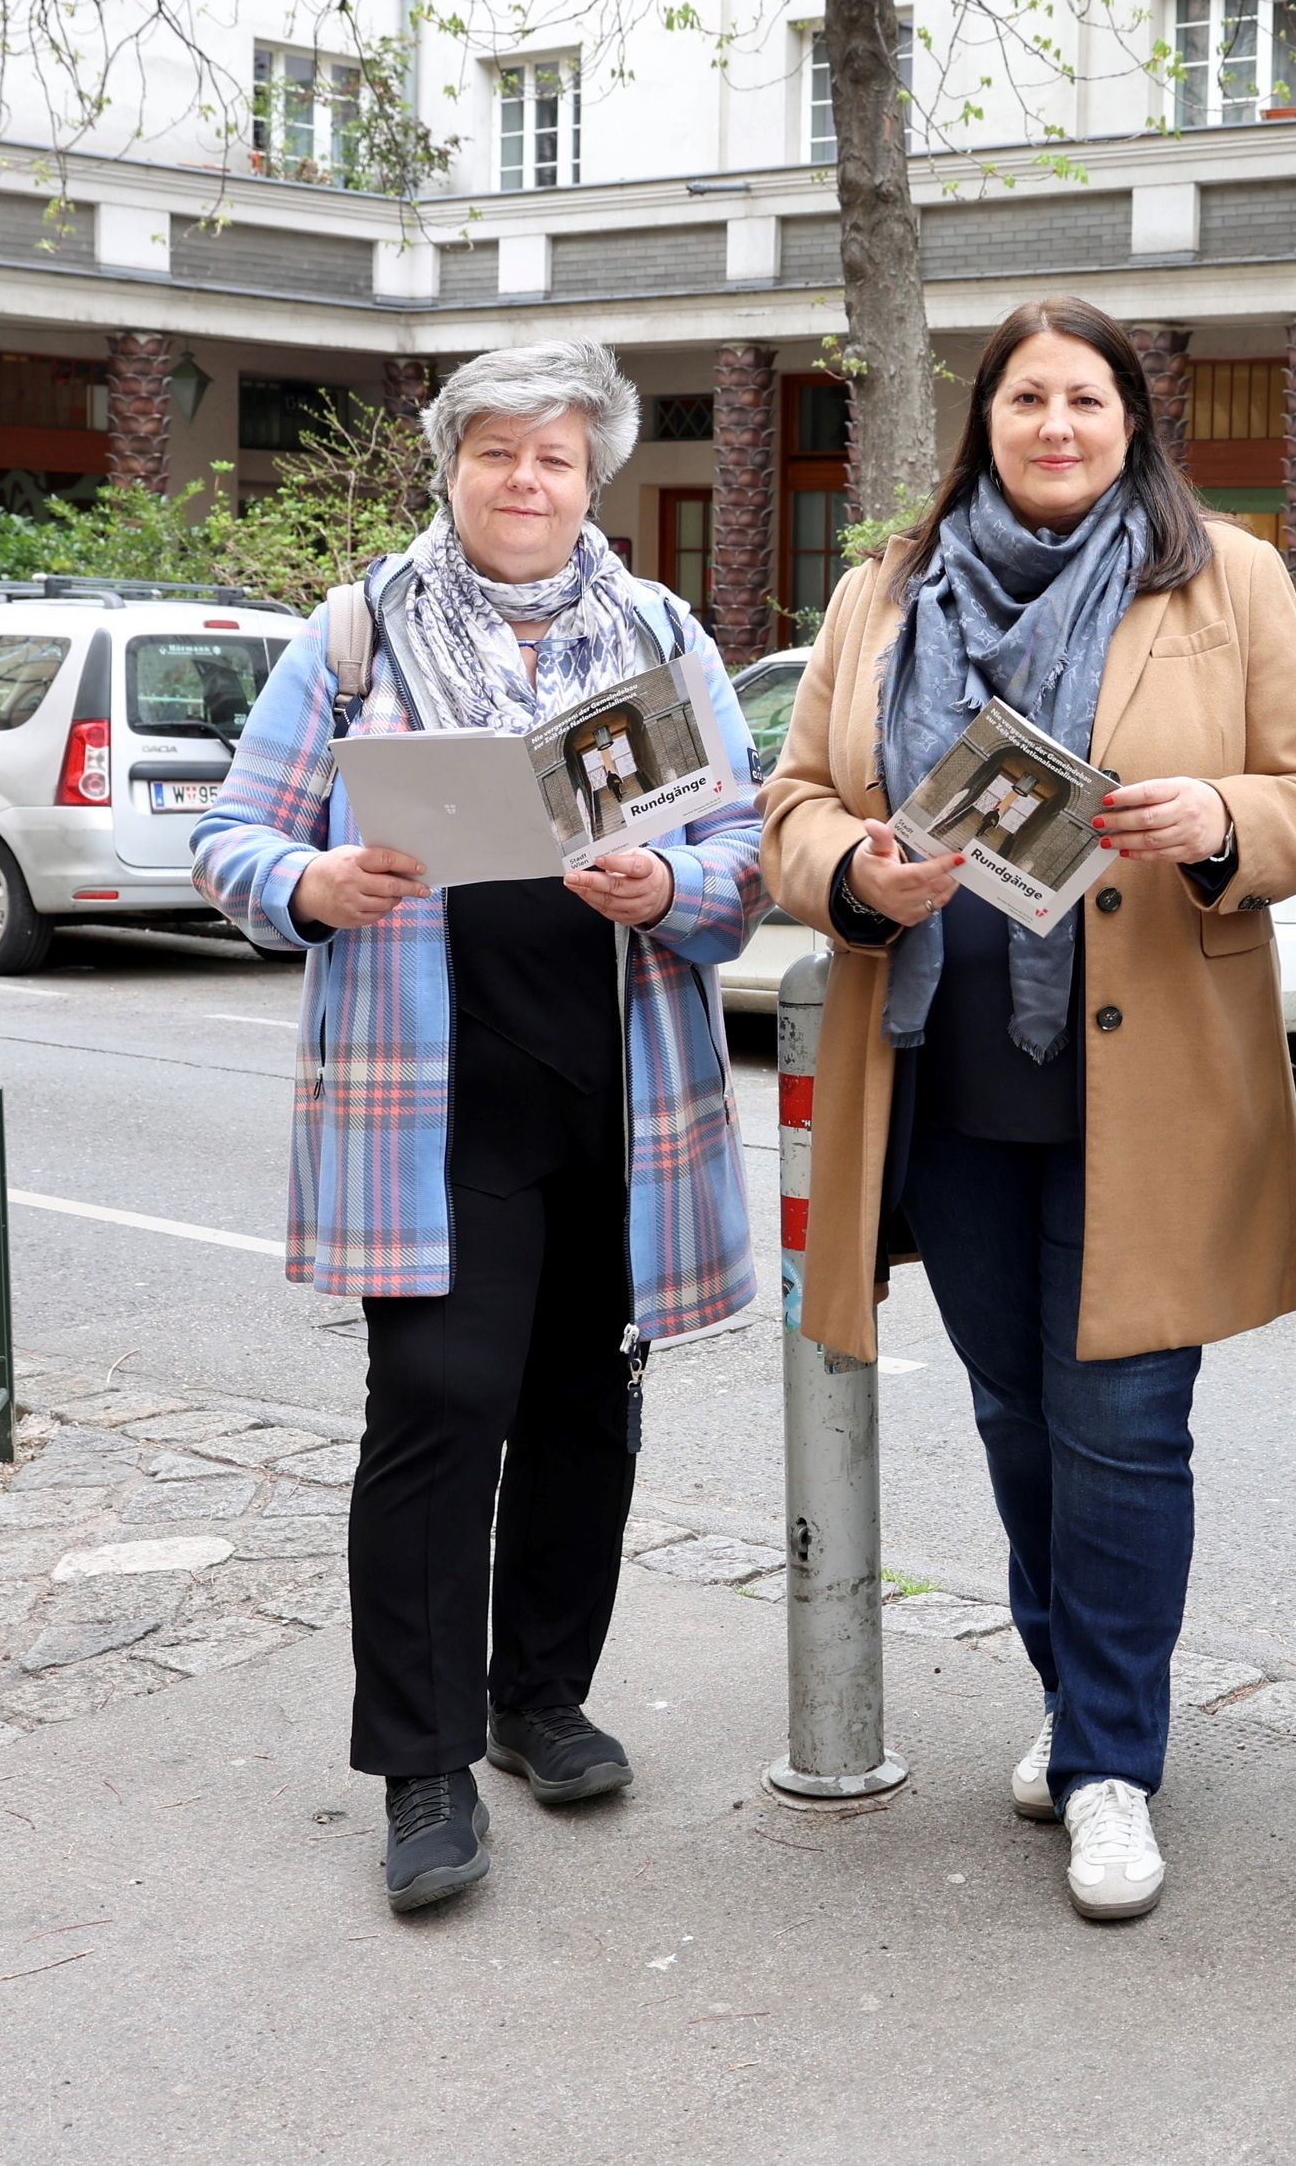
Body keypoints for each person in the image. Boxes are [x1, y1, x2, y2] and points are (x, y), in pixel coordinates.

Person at [762, 294, 1296, 1924]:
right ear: (989, 419)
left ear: (1130, 420)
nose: (1056, 429)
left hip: (1142, 1081)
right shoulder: (887, 588)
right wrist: (859, 872)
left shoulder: (1222, 577)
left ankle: (1112, 1763)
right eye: (1028, 401)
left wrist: (1216, 812)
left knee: (1122, 1433)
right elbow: (793, 803)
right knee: (1018, 1423)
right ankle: (1076, 1701)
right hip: (947, 1082)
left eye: (1086, 401)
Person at [196, 343, 763, 1918]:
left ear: (598, 481)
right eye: (500, 452)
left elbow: (743, 842)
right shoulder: (360, 634)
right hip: (431, 1098)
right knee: (441, 1408)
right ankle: (424, 1765)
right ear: (451, 467)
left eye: (559, 459)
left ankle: (537, 1698)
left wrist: (675, 887)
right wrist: (310, 882)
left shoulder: (659, 634)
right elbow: (231, 834)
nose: (529, 481)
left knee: (589, 1404)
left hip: (621, 1091)